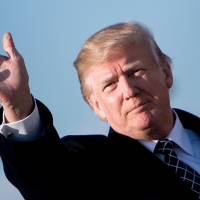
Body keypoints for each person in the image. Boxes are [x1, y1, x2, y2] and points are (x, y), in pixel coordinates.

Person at [0, 22, 200, 200]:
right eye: (110, 85)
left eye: (135, 72)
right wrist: (18, 106)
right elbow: (45, 179)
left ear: (166, 72)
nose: (129, 91)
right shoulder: (90, 168)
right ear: (96, 106)